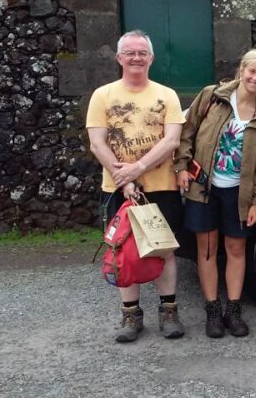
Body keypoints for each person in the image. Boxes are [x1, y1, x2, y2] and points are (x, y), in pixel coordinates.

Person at [86, 30, 186, 343]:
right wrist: (125, 180)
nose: (136, 58)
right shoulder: (102, 96)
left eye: (142, 53)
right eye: (130, 52)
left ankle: (169, 311)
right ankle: (131, 314)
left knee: (164, 250)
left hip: (161, 186)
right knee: (123, 251)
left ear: (151, 58)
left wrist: (138, 168)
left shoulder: (167, 95)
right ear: (119, 58)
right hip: (117, 188)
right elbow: (97, 143)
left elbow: (172, 140)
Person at [174, 49, 256, 339]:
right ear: (241, 70)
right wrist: (181, 166)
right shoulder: (213, 97)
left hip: (239, 193)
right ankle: (212, 310)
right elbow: (187, 132)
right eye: (252, 71)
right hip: (204, 187)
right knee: (207, 249)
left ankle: (233, 309)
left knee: (236, 249)